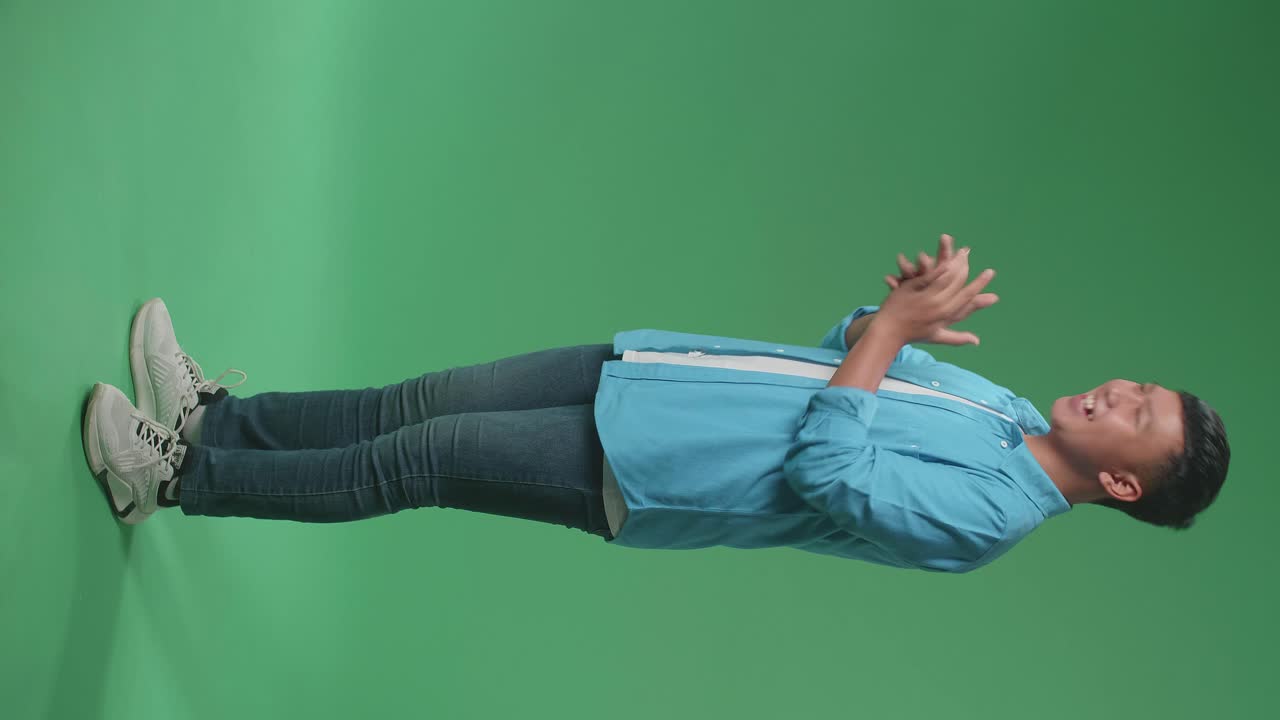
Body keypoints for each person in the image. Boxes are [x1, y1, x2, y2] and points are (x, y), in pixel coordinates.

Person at [80, 234, 1229, 573]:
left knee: (412, 460)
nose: (1115, 392)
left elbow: (827, 470)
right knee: (410, 401)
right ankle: (219, 425)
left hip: (642, 468)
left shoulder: (989, 517)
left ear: (1120, 482)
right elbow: (843, 360)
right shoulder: (1003, 408)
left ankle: (174, 479)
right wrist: (887, 317)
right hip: (658, 372)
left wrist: (885, 338)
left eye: (1134, 417)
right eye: (1136, 387)